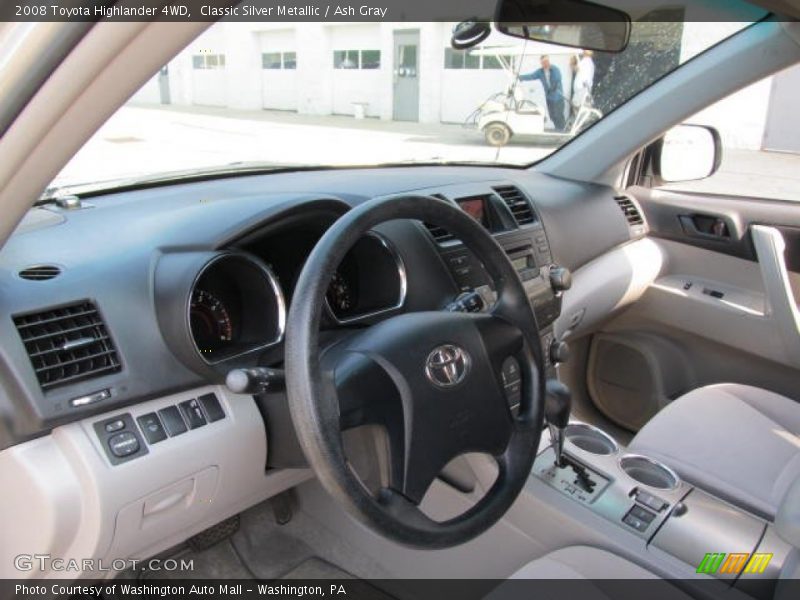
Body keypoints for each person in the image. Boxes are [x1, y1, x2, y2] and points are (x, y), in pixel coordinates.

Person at [519, 55, 566, 131]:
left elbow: (557, 79)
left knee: (558, 114)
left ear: (548, 61)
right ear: (541, 63)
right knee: (552, 115)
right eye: (543, 62)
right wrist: (520, 77)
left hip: (558, 96)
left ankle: (562, 129)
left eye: (546, 61)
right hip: (549, 97)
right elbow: (531, 76)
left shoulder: (555, 69)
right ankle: (557, 128)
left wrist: (552, 88)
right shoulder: (540, 71)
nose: (545, 64)